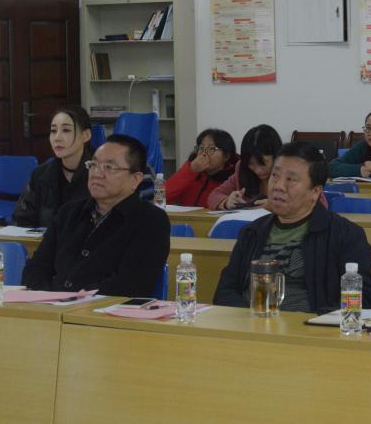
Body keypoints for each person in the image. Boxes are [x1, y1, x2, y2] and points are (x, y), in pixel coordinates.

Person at [214, 141, 371, 314]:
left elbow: (362, 299)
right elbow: (225, 291)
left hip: (309, 327)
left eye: (290, 179)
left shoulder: (345, 234)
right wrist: (250, 319)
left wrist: (311, 323)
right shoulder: (252, 232)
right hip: (252, 324)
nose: (278, 186)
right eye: (275, 176)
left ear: (315, 192)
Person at [22, 134, 171, 297]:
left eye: (109, 167)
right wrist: (51, 297)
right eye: (93, 165)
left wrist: (73, 299)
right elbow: (35, 269)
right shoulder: (68, 212)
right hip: (51, 306)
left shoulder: (151, 221)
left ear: (135, 179)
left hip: (104, 311)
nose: (97, 174)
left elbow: (131, 285)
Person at [13, 106, 94, 228]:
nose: (57, 138)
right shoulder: (40, 174)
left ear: (86, 135)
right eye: (53, 131)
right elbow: (22, 220)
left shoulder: (100, 174)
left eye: (66, 130)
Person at [209, 124, 282, 210]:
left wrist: (276, 206)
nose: (258, 170)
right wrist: (226, 202)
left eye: (262, 163)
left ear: (276, 156)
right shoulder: (242, 169)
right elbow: (214, 195)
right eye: (251, 163)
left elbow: (296, 205)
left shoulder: (288, 172)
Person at [165, 128, 238, 207]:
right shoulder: (191, 171)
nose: (204, 153)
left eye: (211, 149)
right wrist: (191, 170)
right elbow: (162, 198)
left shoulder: (234, 178)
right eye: (201, 148)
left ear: (226, 156)